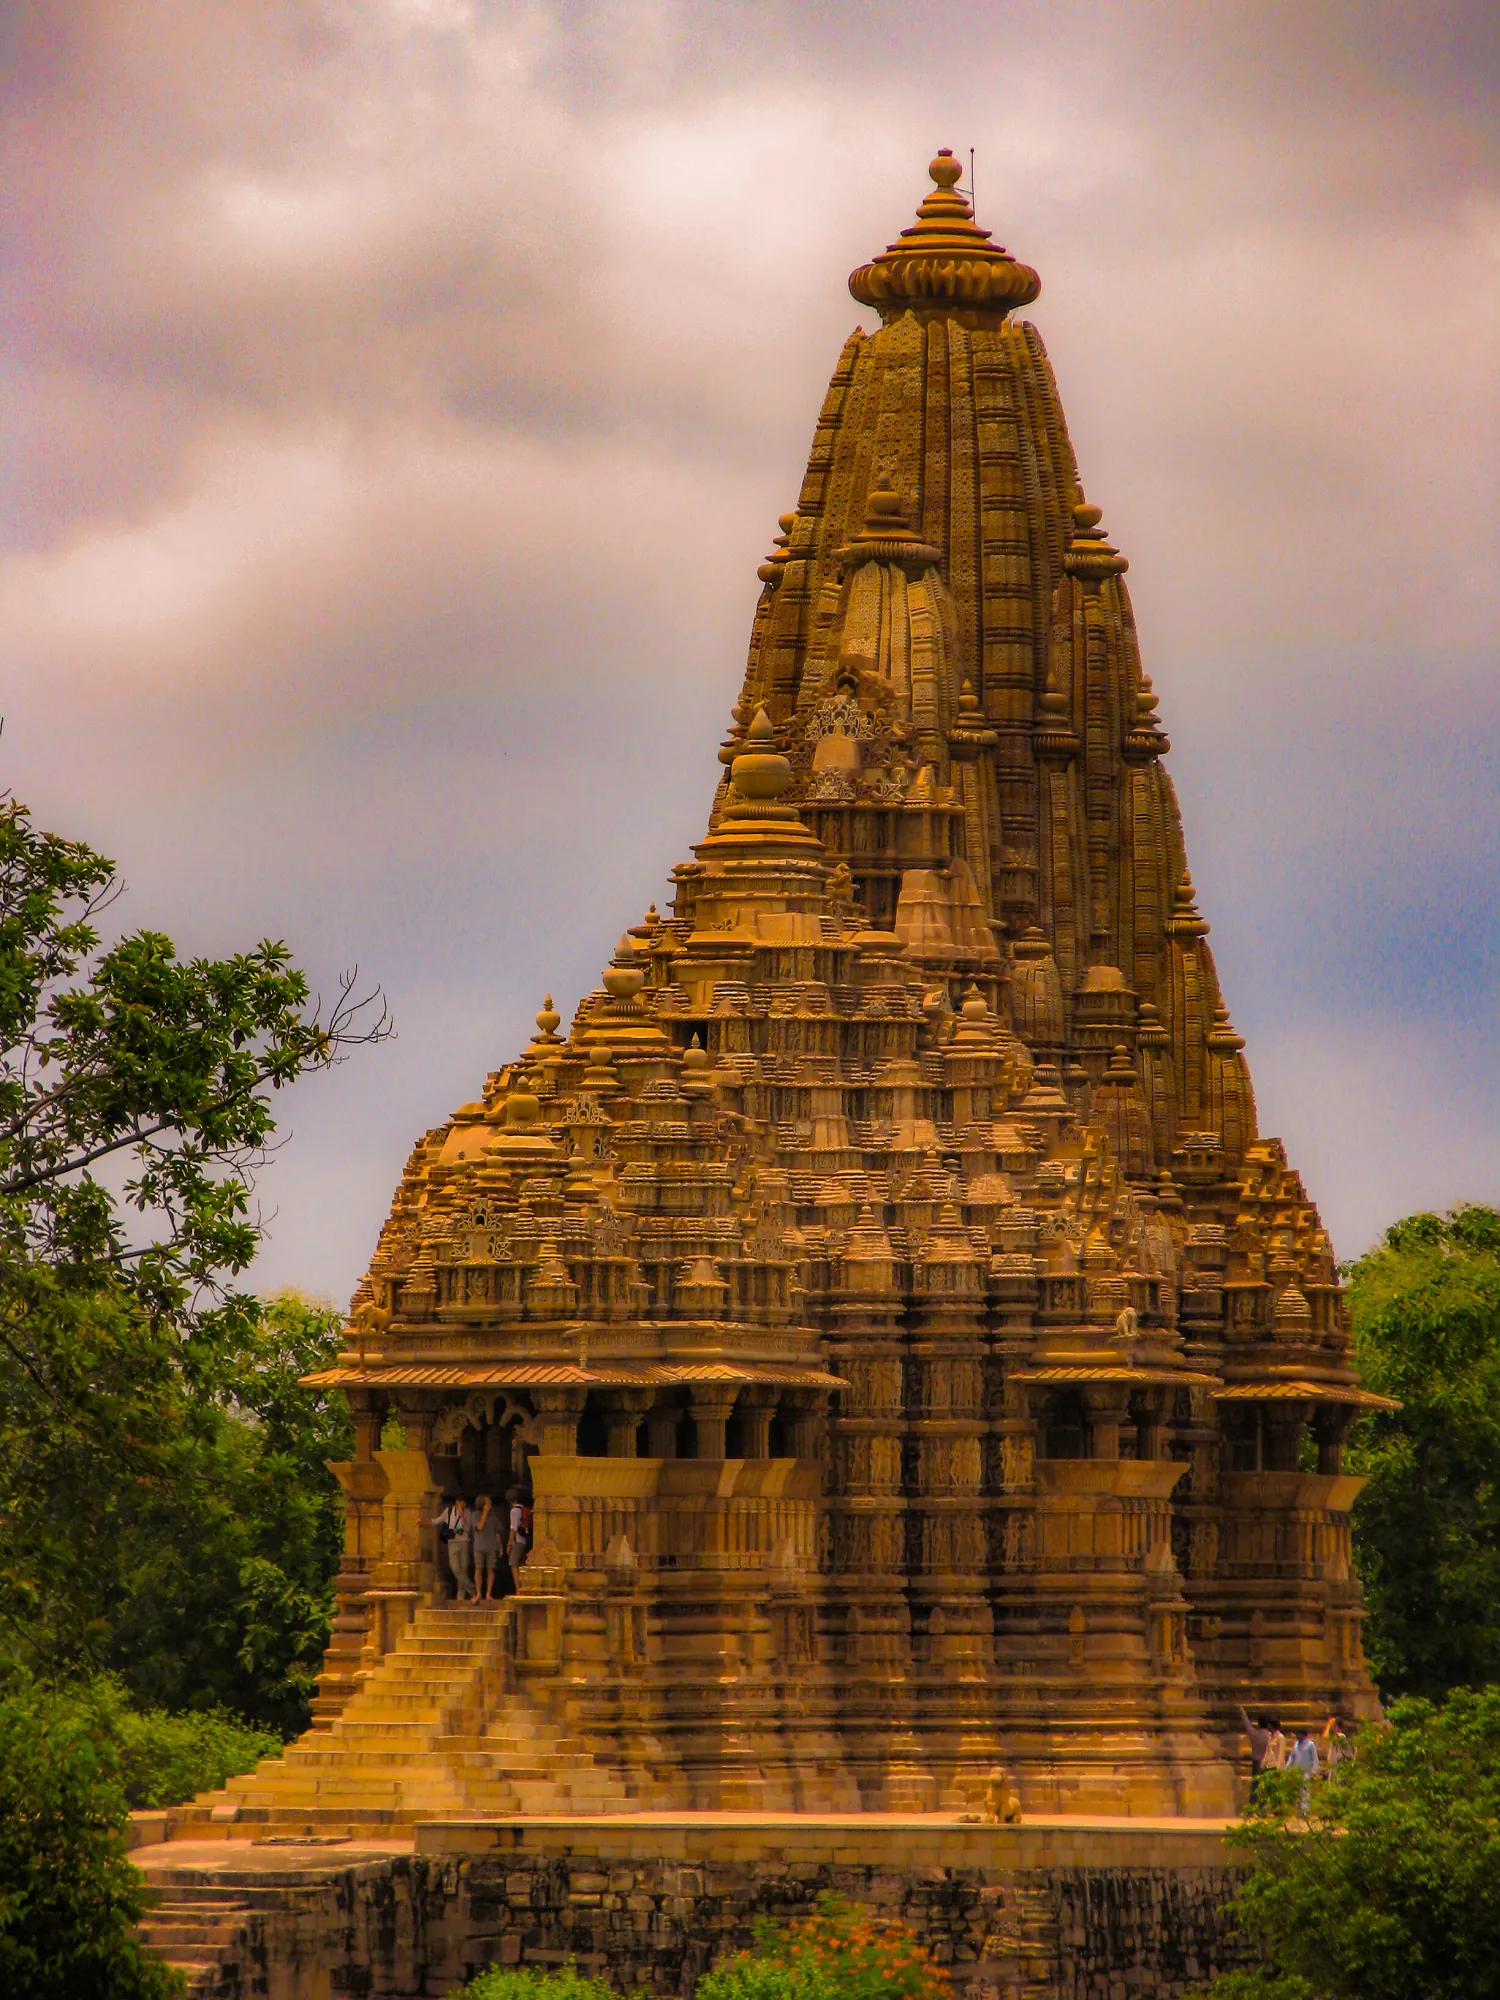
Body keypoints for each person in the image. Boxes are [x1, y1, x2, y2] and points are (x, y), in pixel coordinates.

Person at [431, 1494, 474, 1601]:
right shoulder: (449, 1511)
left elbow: (468, 1529)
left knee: (463, 1567)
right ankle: (472, 1589)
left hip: (464, 1542)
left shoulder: (468, 1512)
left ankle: (461, 1593)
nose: (463, 1505)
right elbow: (437, 1520)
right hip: (452, 1542)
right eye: (462, 1502)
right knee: (455, 1567)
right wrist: (425, 1522)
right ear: (457, 1502)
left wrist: (462, 1516)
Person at [1237, 1709, 1281, 1803]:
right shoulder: (1270, 1736)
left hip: (1257, 1762)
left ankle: (1253, 1807)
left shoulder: (1254, 1733)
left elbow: (1247, 1724)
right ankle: (1263, 1808)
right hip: (1269, 1763)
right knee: (1265, 1787)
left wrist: (1242, 1712)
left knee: (1255, 1786)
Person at [471, 1493, 503, 1601]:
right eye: (487, 1502)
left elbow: (497, 1532)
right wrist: (485, 1513)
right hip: (479, 1546)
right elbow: (479, 1527)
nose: (490, 1504)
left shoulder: (493, 1516)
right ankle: (479, 1592)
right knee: (479, 1568)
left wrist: (500, 1547)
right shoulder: (475, 1515)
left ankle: (488, 1593)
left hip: (491, 1545)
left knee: (490, 1569)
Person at [1286, 1725, 1320, 1813]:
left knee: (1305, 1791)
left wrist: (1314, 1771)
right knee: (1298, 1791)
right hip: (1297, 1771)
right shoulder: (1296, 1744)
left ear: (1304, 1735)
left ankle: (1305, 1811)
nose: (1297, 1736)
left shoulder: (1310, 1745)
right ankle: (1299, 1810)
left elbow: (1315, 1758)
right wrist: (1288, 1767)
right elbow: (1292, 1756)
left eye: (1299, 1734)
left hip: (1306, 1771)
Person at [507, 1487, 532, 1569]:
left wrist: (509, 1544)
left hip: (517, 1541)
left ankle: (517, 1582)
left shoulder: (514, 1511)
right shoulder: (523, 1509)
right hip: (525, 1540)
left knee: (513, 1565)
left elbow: (513, 1528)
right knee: (521, 1564)